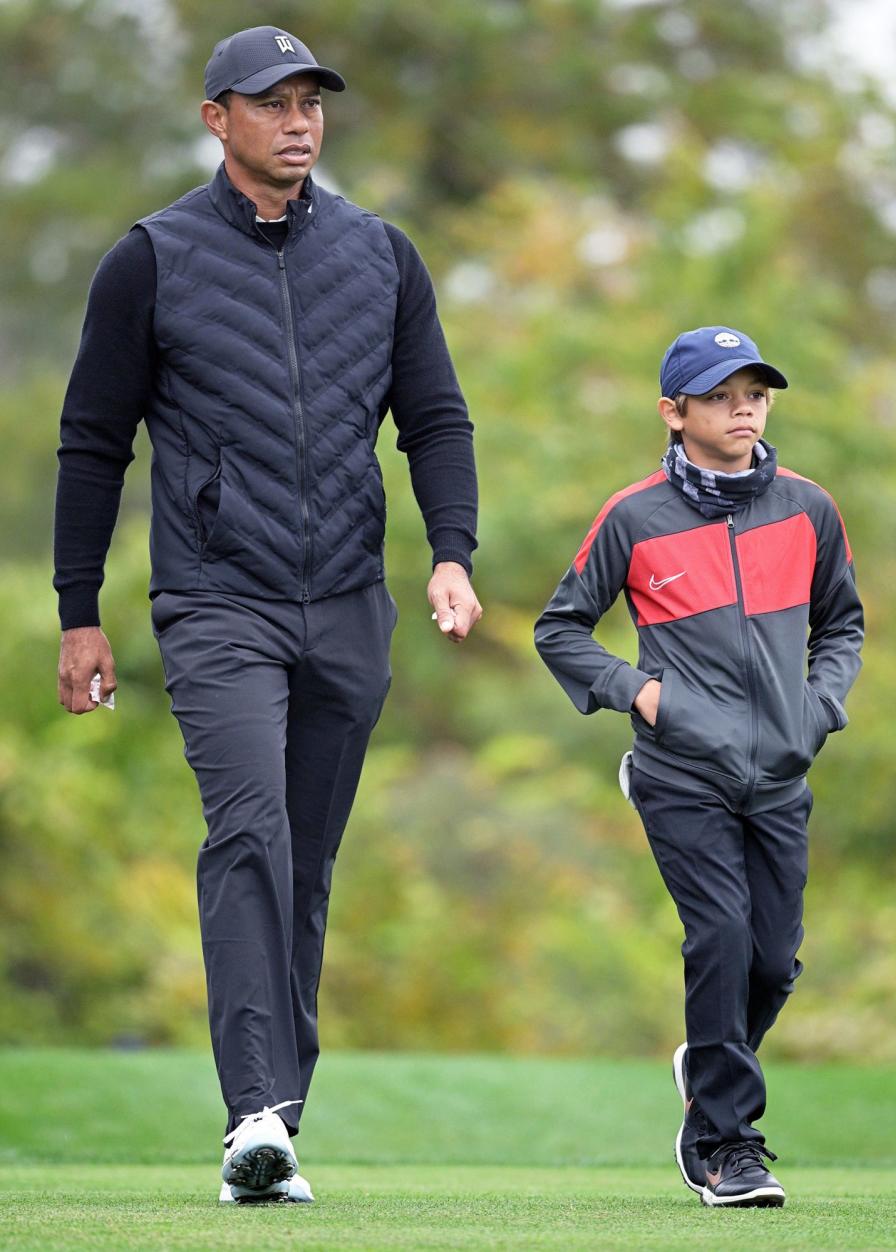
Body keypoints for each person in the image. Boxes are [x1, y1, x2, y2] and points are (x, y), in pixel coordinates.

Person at [53, 25, 481, 1205]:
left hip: (350, 601)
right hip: (214, 598)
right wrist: (77, 612)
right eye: (272, 101)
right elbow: (93, 443)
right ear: (216, 119)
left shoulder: (382, 255)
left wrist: (451, 553)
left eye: (312, 101)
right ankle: (252, 1108)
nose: (299, 120)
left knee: (307, 858)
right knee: (248, 834)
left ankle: (273, 1125)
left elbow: (436, 419)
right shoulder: (151, 259)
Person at [534, 326, 863, 1208]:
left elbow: (843, 626)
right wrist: (644, 697)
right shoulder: (634, 516)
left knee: (774, 962)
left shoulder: (808, 507)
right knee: (718, 937)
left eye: (755, 392)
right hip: (682, 769)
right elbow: (560, 628)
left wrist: (820, 706)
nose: (744, 408)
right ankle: (725, 1145)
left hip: (781, 771)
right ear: (673, 414)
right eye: (721, 396)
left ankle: (707, 1062)